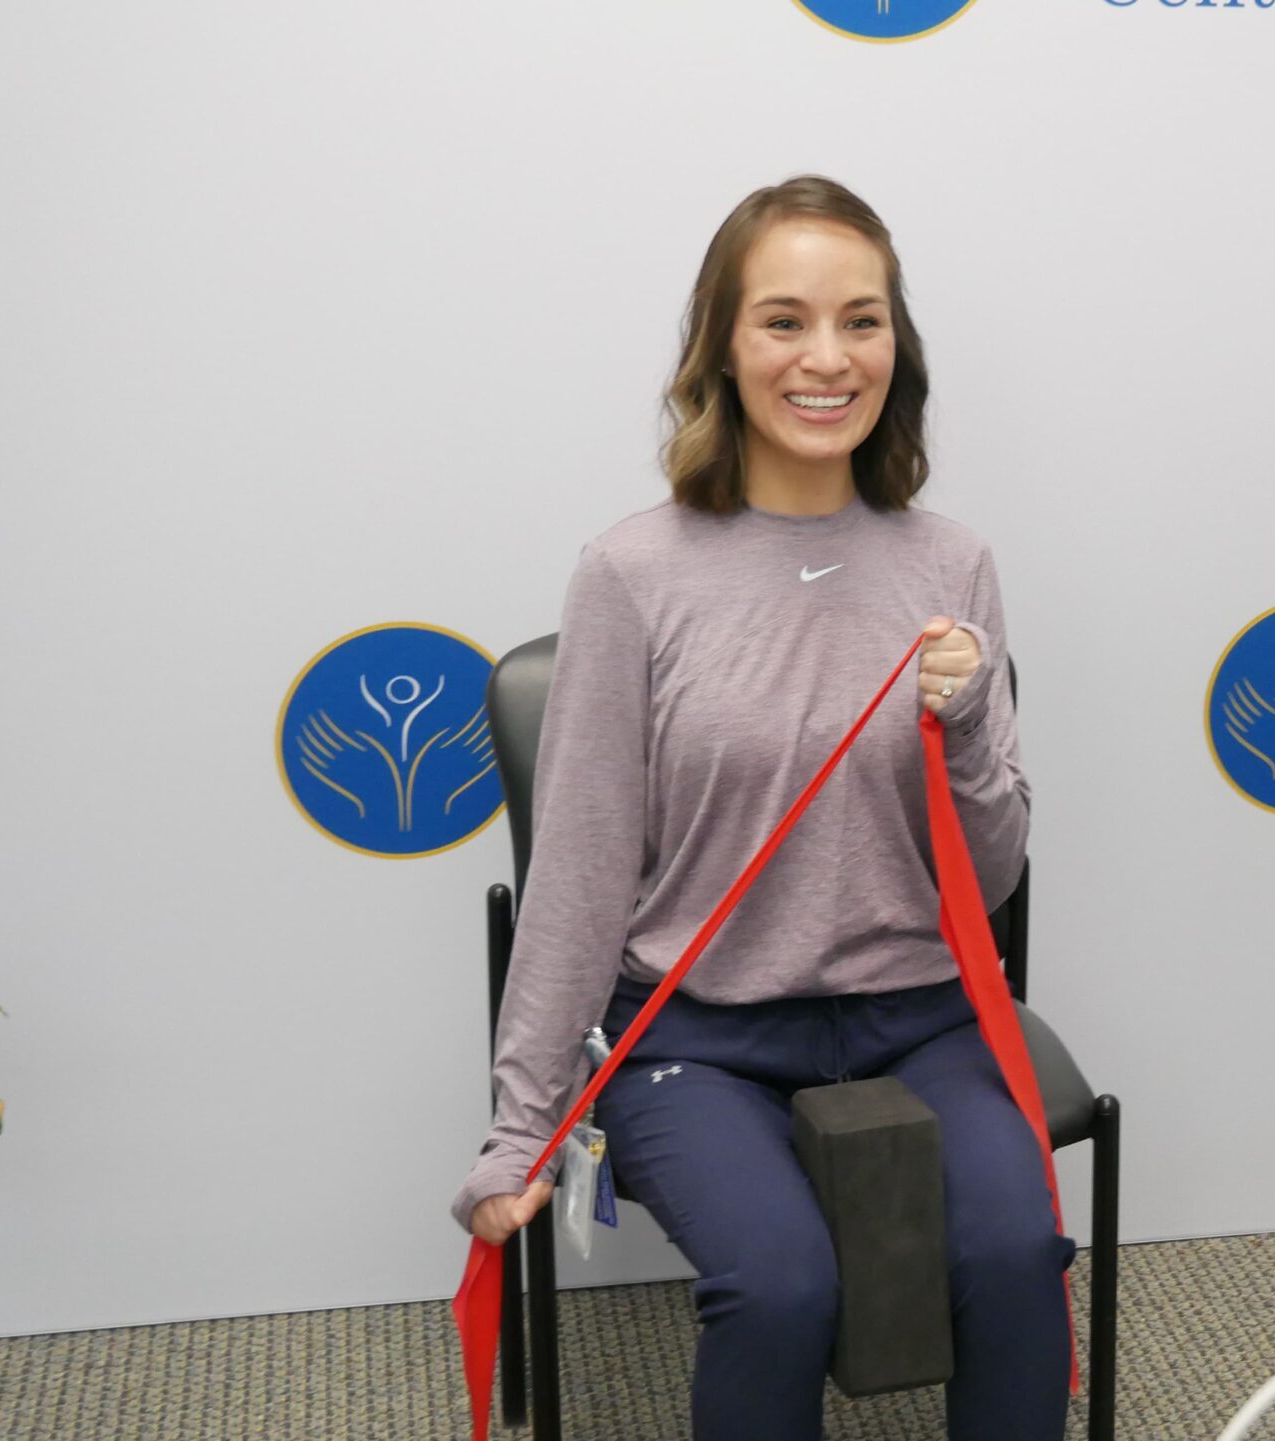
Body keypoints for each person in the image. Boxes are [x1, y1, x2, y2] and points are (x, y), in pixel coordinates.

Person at [450, 175, 1067, 1441]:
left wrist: (961, 738)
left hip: (920, 1016)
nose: (828, 358)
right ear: (722, 351)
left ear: (901, 344)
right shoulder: (633, 571)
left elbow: (994, 873)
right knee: (783, 1287)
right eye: (783, 320)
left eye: (863, 320)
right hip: (700, 1031)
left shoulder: (951, 563)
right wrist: (518, 1131)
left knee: (1017, 1259)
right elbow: (576, 872)